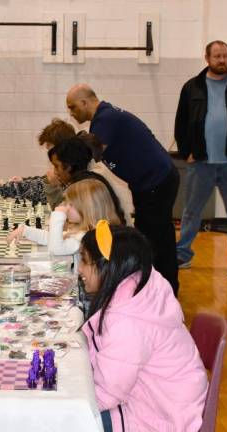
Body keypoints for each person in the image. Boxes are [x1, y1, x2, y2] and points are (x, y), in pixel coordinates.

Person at [78, 221, 207, 431]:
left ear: (107, 267)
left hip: (160, 417)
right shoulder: (140, 286)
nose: (80, 269)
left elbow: (105, 396)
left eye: (84, 261)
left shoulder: (126, 322)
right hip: (170, 403)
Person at [66, 83, 180, 295]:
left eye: (73, 107)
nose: (71, 113)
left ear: (85, 102)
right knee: (155, 237)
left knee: (155, 240)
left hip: (156, 181)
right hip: (151, 182)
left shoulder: (105, 119)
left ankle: (162, 291)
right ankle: (160, 289)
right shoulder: (104, 119)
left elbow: (94, 150)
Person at [174, 40, 227, 269]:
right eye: (217, 56)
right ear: (207, 58)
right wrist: (186, 152)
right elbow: (181, 123)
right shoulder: (192, 87)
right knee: (191, 212)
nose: (222, 60)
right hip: (200, 163)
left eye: (225, 56)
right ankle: (183, 255)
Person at [7, 179, 121, 272]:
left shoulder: (87, 236)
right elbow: (52, 238)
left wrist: (57, 216)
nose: (66, 208)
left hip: (83, 294)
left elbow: (56, 249)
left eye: (70, 204)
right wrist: (25, 231)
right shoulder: (87, 230)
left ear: (86, 208)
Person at [47, 137, 127, 225]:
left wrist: (53, 187)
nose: (55, 172)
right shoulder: (86, 178)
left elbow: (62, 217)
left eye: (56, 166)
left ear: (68, 166)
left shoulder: (85, 186)